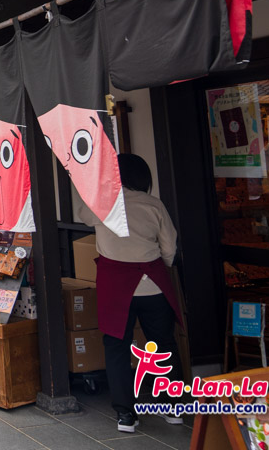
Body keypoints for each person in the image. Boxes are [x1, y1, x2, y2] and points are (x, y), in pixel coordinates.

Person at [78, 153, 182, 433]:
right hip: (153, 284)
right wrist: (161, 265)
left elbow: (83, 216)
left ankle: (126, 414)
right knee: (163, 344)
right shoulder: (153, 204)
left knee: (116, 347)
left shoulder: (103, 204)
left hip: (115, 286)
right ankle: (172, 408)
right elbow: (169, 247)